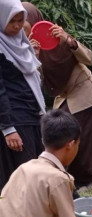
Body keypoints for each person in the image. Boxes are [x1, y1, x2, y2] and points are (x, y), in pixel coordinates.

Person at [22, 2, 92, 189]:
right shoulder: (26, 46)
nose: (24, 28)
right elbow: (38, 81)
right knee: (63, 134)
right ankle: (68, 177)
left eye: (26, 23)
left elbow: (89, 58)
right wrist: (33, 56)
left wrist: (69, 40)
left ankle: (90, 180)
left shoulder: (57, 36)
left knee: (85, 135)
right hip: (63, 95)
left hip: (84, 90)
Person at [0, 0, 46, 192]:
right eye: (12, 21)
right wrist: (8, 128)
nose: (18, 26)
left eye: (21, 20)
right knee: (26, 171)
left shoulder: (21, 42)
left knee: (40, 163)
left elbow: (33, 78)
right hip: (15, 118)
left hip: (32, 112)